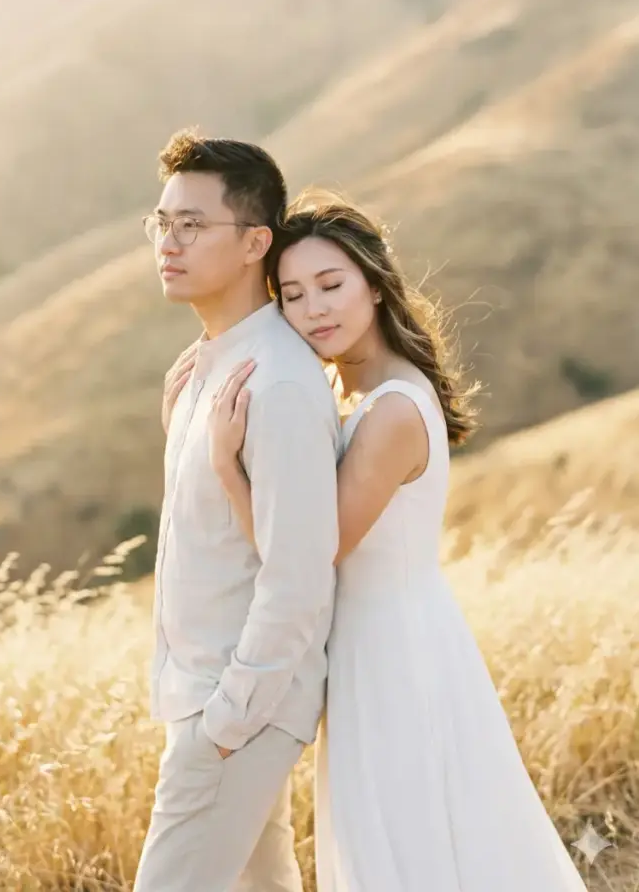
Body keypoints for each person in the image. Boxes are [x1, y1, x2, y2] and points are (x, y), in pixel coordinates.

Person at [182, 194, 591, 891]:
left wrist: (224, 467)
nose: (314, 309)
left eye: (331, 285)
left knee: (403, 843)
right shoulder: (352, 392)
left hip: (395, 652)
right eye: (293, 294)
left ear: (374, 282)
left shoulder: (392, 409)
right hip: (375, 645)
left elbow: (309, 552)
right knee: (401, 838)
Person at [133, 131, 342, 892]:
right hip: (210, 699)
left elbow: (298, 572)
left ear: (256, 241)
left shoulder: (279, 385)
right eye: (161, 223)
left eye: (192, 224)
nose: (168, 242)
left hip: (235, 708)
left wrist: (229, 719)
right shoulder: (204, 368)